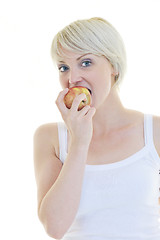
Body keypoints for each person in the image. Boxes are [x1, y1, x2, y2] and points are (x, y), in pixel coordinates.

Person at [33, 17, 160, 240]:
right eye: (64, 67)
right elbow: (55, 227)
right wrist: (80, 142)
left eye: (86, 62)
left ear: (113, 66)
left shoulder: (154, 132)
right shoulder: (50, 138)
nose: (72, 79)